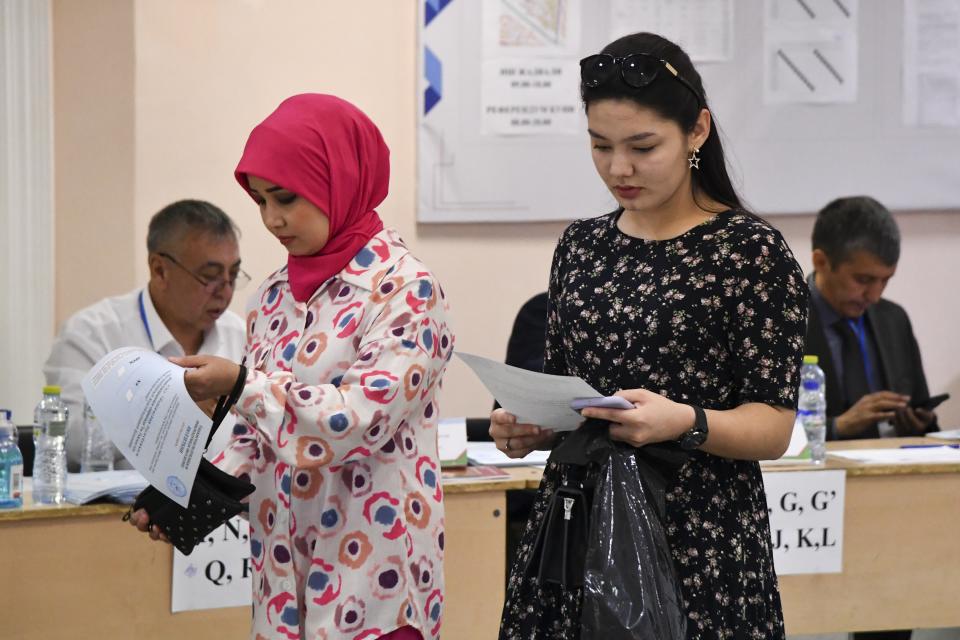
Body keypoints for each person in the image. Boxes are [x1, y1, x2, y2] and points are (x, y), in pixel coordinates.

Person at [489, 32, 808, 639]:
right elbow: (566, 391)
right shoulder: (582, 245)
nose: (619, 168)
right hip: (574, 528)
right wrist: (529, 425)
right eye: (600, 145)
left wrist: (684, 420)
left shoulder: (748, 253)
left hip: (697, 542)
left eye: (642, 146)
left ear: (697, 131)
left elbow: (773, 427)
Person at [130, 95, 454, 640]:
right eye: (259, 200)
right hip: (283, 579)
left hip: (374, 576)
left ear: (342, 179)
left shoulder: (403, 288)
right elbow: (257, 432)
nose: (271, 219)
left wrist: (239, 384)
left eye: (285, 198)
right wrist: (187, 493)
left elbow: (357, 421)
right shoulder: (273, 296)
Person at [43, 199, 247, 470]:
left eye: (232, 276)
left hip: (226, 507)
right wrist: (170, 407)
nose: (226, 291)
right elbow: (67, 439)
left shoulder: (244, 337)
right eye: (210, 277)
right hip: (120, 509)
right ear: (160, 269)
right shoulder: (93, 334)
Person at [806, 196, 937, 449]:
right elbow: (763, 431)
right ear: (821, 262)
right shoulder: (782, 323)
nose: (875, 296)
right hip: (816, 477)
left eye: (885, 280)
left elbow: (923, 412)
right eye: (863, 280)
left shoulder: (894, 319)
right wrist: (838, 427)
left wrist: (918, 423)